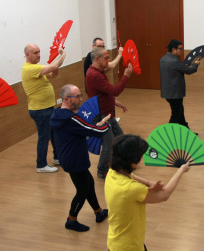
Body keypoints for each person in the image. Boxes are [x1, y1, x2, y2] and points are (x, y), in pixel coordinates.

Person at [105, 134, 190, 251]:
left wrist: (149, 183)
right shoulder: (131, 189)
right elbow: (164, 195)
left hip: (117, 243)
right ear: (133, 162)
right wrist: (180, 171)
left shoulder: (113, 172)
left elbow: (131, 176)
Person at [50, 84, 112, 231]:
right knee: (83, 190)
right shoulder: (70, 118)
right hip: (74, 160)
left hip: (72, 157)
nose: (80, 99)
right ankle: (71, 220)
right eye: (77, 96)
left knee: (89, 183)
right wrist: (105, 126)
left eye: (80, 96)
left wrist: (97, 126)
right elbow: (92, 130)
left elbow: (83, 129)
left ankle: (98, 212)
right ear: (66, 99)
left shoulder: (58, 114)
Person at [86, 47, 132, 181]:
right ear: (96, 59)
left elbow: (104, 93)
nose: (108, 60)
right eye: (106, 58)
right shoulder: (94, 75)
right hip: (101, 116)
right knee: (109, 144)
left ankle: (118, 165)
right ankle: (102, 171)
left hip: (107, 113)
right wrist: (126, 76)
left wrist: (114, 102)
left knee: (120, 138)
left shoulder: (97, 72)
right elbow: (115, 90)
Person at [22, 43, 66, 173]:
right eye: (35, 53)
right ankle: (41, 165)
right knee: (44, 137)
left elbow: (54, 73)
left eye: (39, 52)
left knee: (53, 134)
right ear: (27, 55)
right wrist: (62, 55)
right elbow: (53, 66)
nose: (39, 55)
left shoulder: (37, 68)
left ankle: (57, 158)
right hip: (40, 110)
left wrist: (56, 65)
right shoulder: (29, 69)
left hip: (47, 108)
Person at [159, 39, 200, 131]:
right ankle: (168, 134)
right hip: (175, 94)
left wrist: (182, 65)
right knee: (176, 114)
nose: (182, 51)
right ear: (174, 50)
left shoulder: (162, 59)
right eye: (180, 49)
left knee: (180, 112)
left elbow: (175, 70)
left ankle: (187, 131)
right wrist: (196, 64)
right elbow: (189, 70)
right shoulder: (175, 61)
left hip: (167, 93)